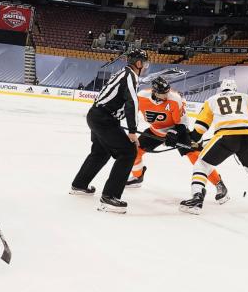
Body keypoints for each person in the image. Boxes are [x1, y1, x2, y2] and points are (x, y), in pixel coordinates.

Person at [126, 76, 229, 202]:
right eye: (163, 93)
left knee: (196, 157)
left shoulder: (175, 99)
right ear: (154, 92)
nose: (166, 95)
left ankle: (219, 184)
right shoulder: (141, 96)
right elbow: (130, 111)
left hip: (177, 130)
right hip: (156, 130)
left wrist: (173, 133)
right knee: (133, 151)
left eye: (167, 92)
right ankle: (138, 176)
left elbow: (182, 123)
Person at [70, 49, 149, 213]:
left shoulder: (123, 73)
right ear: (139, 63)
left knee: (100, 152)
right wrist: (133, 131)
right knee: (127, 153)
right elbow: (131, 103)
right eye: (145, 63)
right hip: (104, 119)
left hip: (97, 116)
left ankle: (79, 184)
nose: (146, 67)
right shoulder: (130, 76)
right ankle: (109, 197)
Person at [179, 79, 248, 213]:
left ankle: (197, 198)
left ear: (221, 89)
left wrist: (190, 140)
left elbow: (200, 127)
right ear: (235, 89)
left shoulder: (212, 100)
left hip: (226, 137)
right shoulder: (244, 97)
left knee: (202, 163)